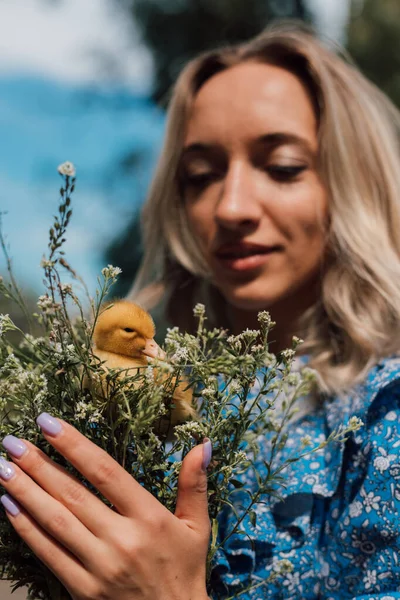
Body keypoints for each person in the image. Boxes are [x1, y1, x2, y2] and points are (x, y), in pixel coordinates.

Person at [1, 21, 400, 599]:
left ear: (354, 184)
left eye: (283, 166)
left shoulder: (385, 410)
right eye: (201, 176)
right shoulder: (157, 397)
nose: (232, 206)